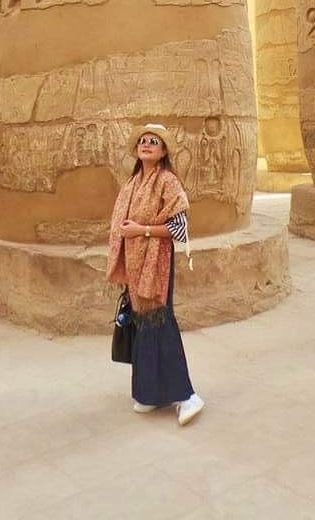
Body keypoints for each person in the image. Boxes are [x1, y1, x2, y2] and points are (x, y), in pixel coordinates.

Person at [106, 122, 205, 426]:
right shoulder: (132, 184)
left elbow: (179, 228)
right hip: (135, 266)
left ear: (163, 151)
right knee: (142, 326)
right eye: (142, 141)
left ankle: (187, 396)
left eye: (154, 141)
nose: (146, 144)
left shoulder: (168, 182)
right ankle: (149, 393)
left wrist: (142, 231)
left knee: (160, 324)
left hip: (156, 264)